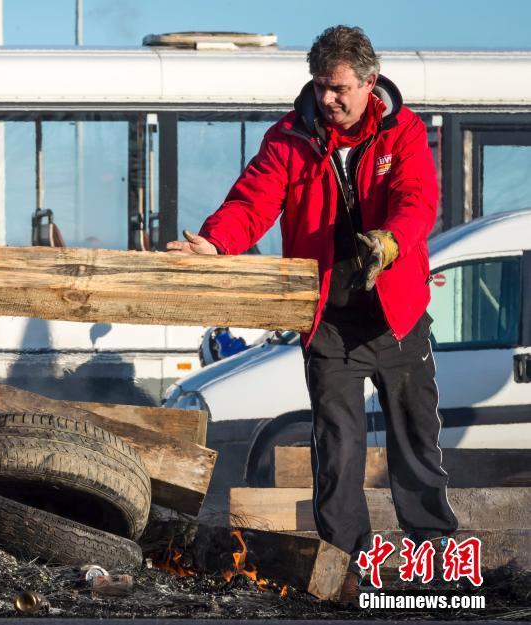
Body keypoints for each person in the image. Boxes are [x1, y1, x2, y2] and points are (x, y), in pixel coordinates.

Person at [167, 25, 458, 602]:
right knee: (338, 448)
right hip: (327, 318)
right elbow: (252, 201)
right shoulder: (288, 138)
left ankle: (438, 567)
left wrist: (392, 242)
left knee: (416, 443)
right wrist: (215, 243)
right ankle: (347, 569)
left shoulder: (404, 130)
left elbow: (417, 200)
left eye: (340, 88)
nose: (328, 99)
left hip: (395, 314)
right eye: (321, 87)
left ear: (370, 84)